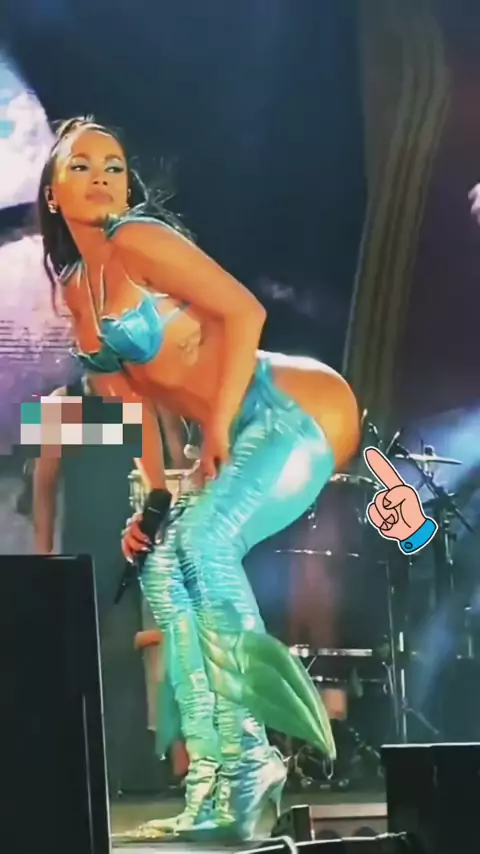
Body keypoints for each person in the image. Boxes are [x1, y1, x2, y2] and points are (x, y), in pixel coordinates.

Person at [37, 116, 361, 841]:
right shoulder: (78, 289)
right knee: (161, 565)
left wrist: (215, 427)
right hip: (234, 427)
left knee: (206, 544)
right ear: (53, 194)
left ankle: (253, 758)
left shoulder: (140, 240)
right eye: (81, 166)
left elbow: (245, 312)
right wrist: (153, 501)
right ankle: (211, 781)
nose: (101, 177)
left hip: (292, 407)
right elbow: (141, 400)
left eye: (113, 166)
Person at [32, 372, 192, 797]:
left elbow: (178, 470)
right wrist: (44, 557)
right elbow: (44, 484)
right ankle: (90, 768)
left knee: (129, 655)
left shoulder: (145, 399)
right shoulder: (60, 403)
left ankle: (134, 769)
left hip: (136, 548)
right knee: (86, 658)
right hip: (83, 549)